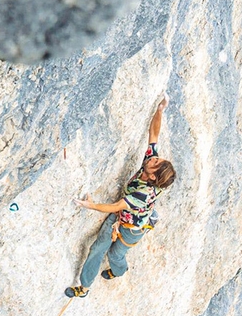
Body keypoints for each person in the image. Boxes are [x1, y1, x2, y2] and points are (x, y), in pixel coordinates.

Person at [65, 94, 176, 298]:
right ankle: (85, 287)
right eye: (156, 160)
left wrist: (89, 205)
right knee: (97, 248)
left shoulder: (143, 193)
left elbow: (115, 207)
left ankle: (118, 271)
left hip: (130, 227)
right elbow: (154, 135)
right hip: (125, 216)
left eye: (156, 163)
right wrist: (160, 110)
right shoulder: (151, 167)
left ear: (153, 177)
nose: (154, 159)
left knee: (115, 255)